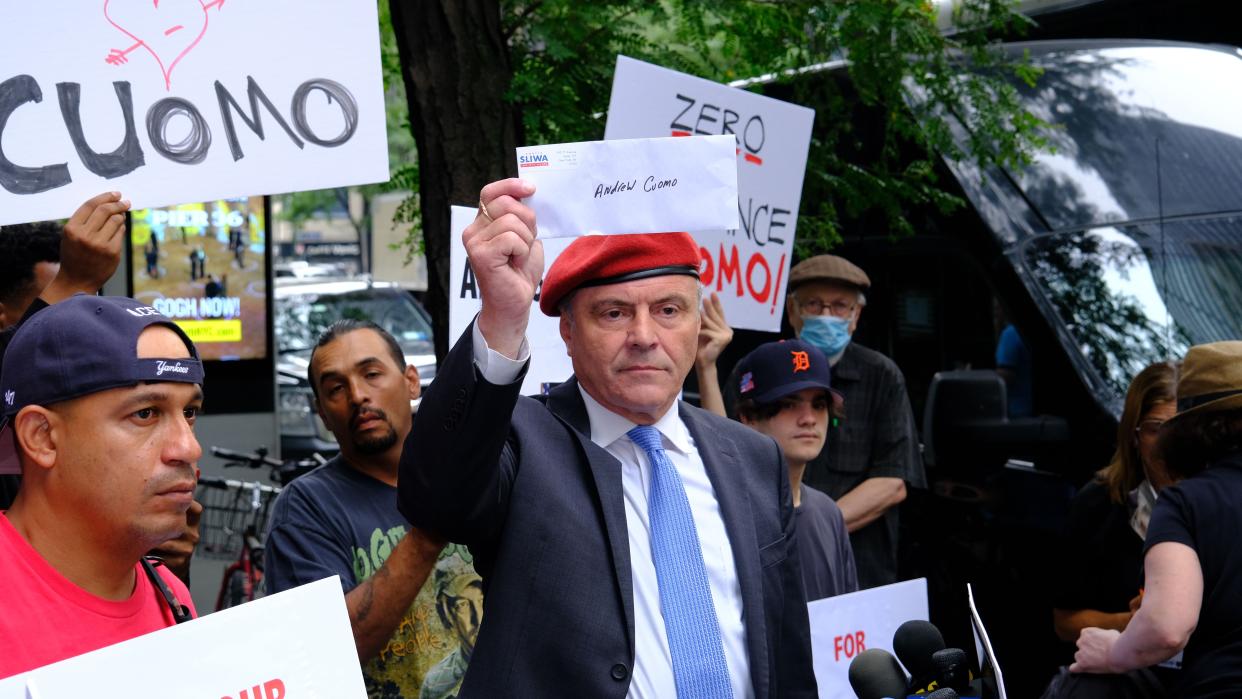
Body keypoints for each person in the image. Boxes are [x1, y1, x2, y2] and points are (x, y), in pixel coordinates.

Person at [399, 178, 817, 698]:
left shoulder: (755, 458)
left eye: (668, 310)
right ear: (568, 333)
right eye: (614, 313)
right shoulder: (521, 440)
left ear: (696, 323)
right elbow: (436, 500)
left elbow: (787, 651)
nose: (644, 336)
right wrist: (502, 319)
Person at [0, 295, 202, 677]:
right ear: (42, 437)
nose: (189, 447)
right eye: (145, 413)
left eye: (189, 412)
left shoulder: (172, 596)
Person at [697, 254, 925, 589]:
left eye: (820, 404)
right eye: (815, 305)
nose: (807, 419)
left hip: (858, 574)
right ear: (792, 311)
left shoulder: (882, 376)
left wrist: (815, 525)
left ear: (856, 315)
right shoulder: (756, 368)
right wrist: (705, 368)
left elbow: (892, 482)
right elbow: (722, 450)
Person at [264, 319, 447, 697]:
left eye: (372, 374)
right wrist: (427, 536)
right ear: (322, 414)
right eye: (336, 388)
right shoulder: (305, 510)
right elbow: (323, 651)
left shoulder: (469, 473)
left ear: (411, 381)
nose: (357, 395)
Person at [1072, 342, 1242, 697]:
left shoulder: (1186, 502)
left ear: (1189, 431)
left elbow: (1167, 628)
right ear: (1133, 434)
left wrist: (1113, 652)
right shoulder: (1101, 502)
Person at [1052, 362, 1177, 645]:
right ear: (1134, 436)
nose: (1169, 444)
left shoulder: (1220, 497)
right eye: (1156, 428)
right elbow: (1065, 621)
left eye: (1179, 428)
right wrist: (1128, 622)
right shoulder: (1098, 504)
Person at [733, 339, 859, 600]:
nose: (809, 419)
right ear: (749, 417)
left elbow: (848, 618)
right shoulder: (729, 512)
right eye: (790, 404)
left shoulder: (829, 512)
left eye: (819, 405)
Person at [420, 555, 484, 699]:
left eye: (482, 600)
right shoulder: (435, 685)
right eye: (463, 605)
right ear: (447, 614)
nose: (478, 618)